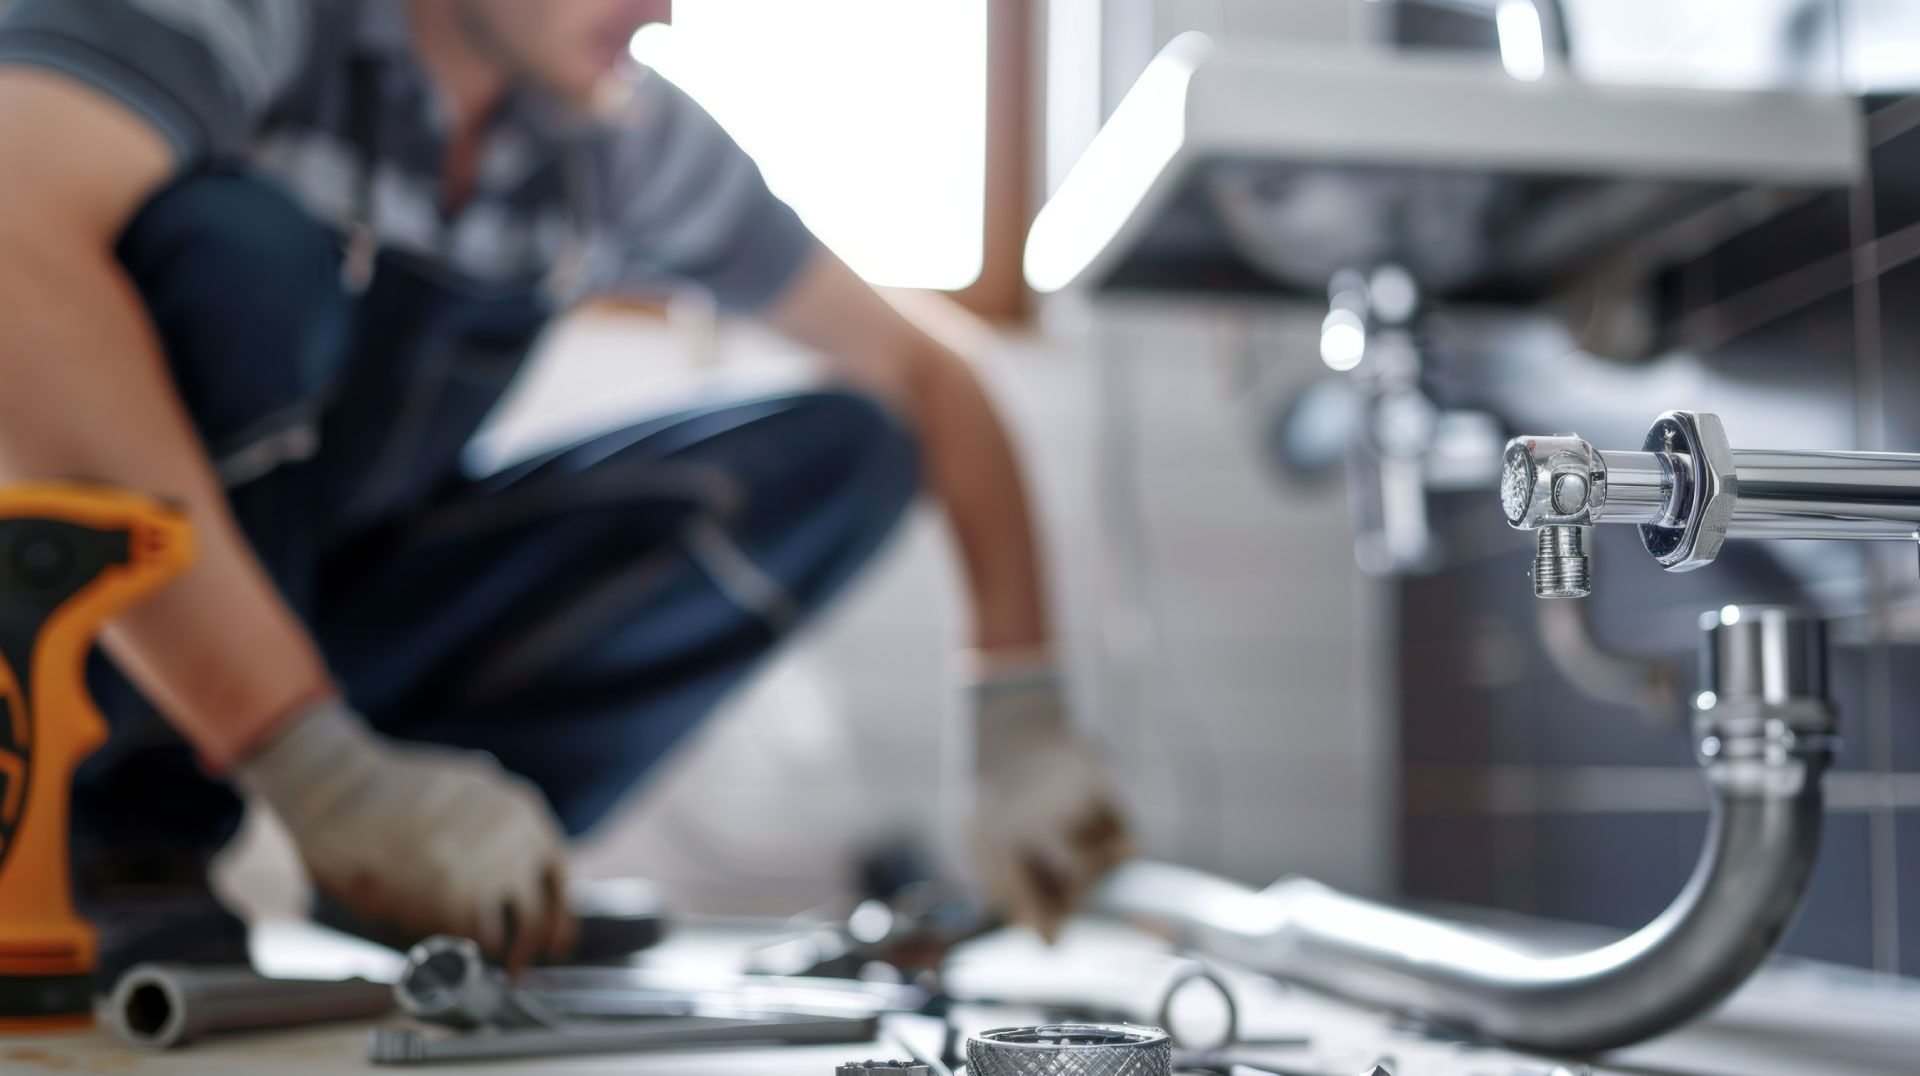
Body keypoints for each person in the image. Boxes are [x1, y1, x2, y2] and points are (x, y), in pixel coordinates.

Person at [0, 0, 1131, 972]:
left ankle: (435, 869)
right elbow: (14, 239)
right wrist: (309, 752)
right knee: (245, 252)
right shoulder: (256, 17)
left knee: (848, 450)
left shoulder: (609, 126)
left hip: (341, 602)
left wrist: (1018, 714)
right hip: (75, 638)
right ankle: (129, 838)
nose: (663, 13)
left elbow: (929, 374)